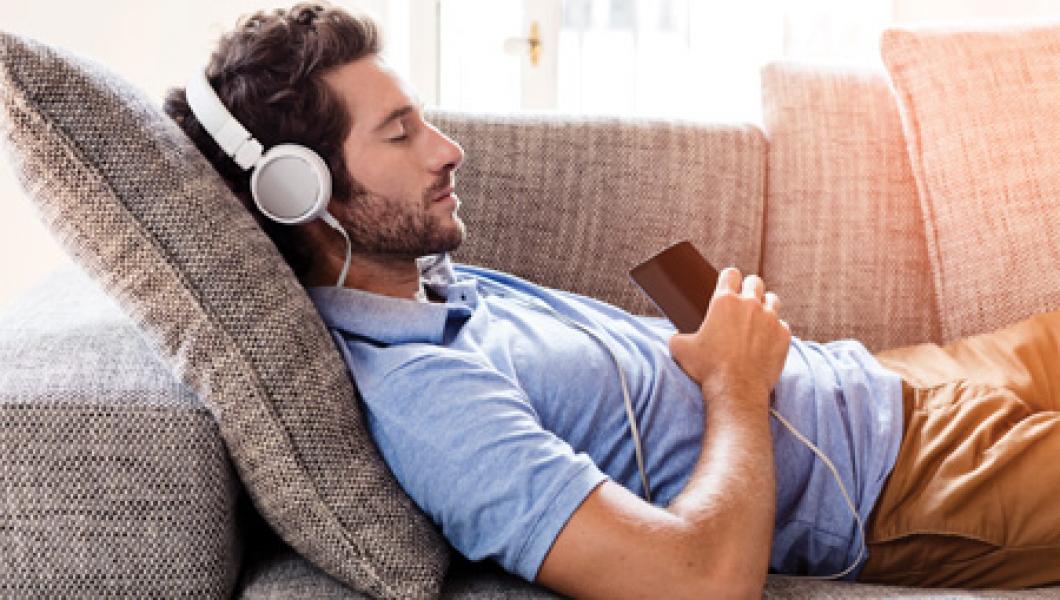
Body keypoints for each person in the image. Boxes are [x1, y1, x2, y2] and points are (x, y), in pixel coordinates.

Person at [164, 3, 1060, 596]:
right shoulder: (428, 402)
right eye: (400, 134)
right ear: (302, 193)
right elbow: (699, 581)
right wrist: (736, 383)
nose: (448, 149)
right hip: (902, 484)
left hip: (892, 378)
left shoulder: (431, 288)